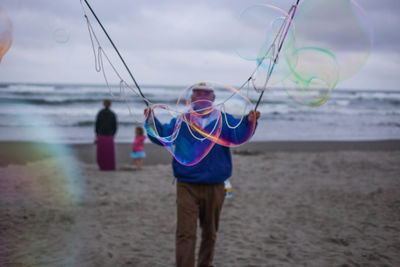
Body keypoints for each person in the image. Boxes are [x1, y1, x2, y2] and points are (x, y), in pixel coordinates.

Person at [146, 82, 260, 267]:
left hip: (216, 185)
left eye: (205, 94)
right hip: (186, 185)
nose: (201, 98)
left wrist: (249, 121)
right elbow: (163, 135)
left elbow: (239, 135)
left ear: (213, 99)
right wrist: (152, 121)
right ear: (191, 99)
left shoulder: (225, 120)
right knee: (185, 233)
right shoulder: (181, 121)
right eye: (197, 95)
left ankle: (205, 264)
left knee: (210, 233)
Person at [95, 99, 118, 170]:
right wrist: (113, 134)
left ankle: (102, 167)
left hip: (101, 134)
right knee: (109, 153)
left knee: (101, 152)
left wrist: (96, 133)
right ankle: (110, 167)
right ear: (110, 104)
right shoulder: (112, 114)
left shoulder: (100, 113)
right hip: (109, 135)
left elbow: (97, 124)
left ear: (104, 104)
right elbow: (115, 125)